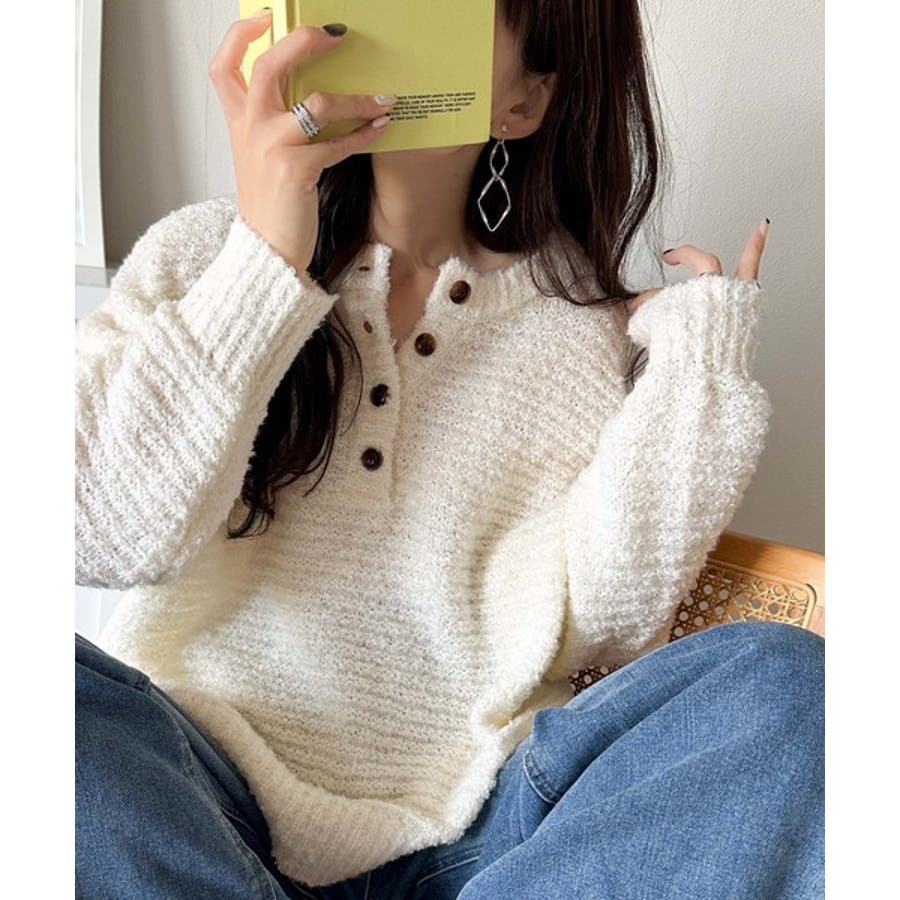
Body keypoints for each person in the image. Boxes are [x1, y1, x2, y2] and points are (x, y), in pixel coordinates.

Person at [75, 3, 824, 898]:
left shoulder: (576, 333)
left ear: (522, 101)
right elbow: (94, 535)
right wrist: (264, 259)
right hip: (194, 804)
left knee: (795, 689)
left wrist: (697, 372)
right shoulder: (198, 258)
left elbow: (610, 617)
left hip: (475, 836)